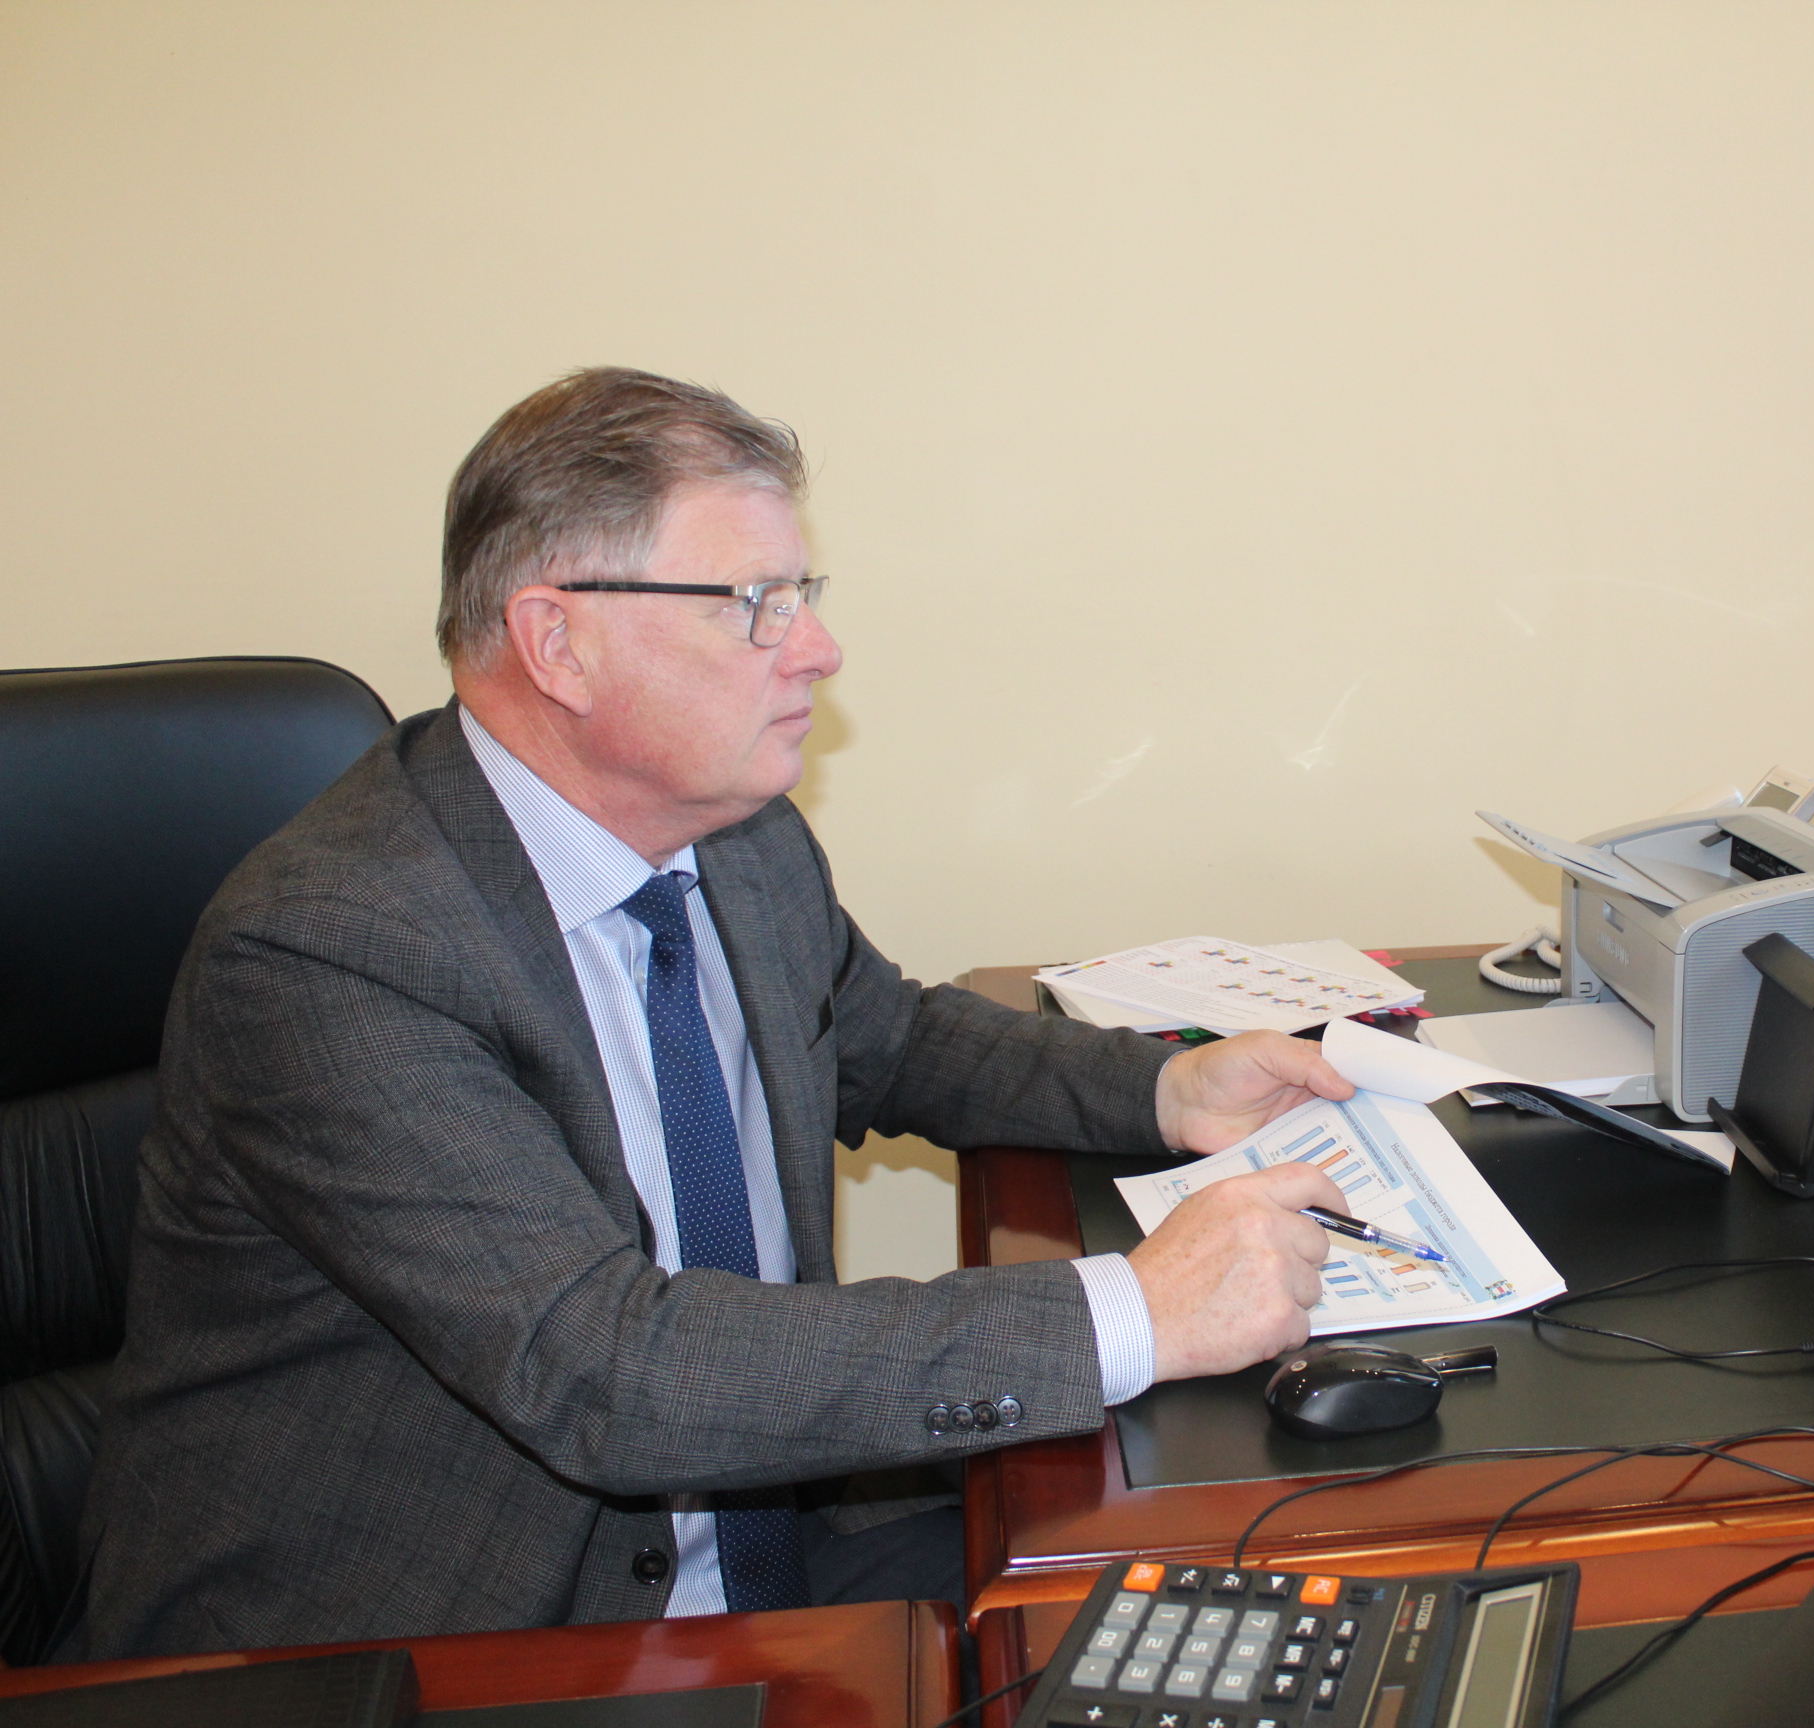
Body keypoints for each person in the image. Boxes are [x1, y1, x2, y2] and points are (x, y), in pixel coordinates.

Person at [69, 368, 1355, 1660]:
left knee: (1245, 1590)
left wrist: (1161, 1089)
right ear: (557, 642)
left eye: (802, 595)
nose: (818, 649)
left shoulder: (733, 834)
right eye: (754, 605)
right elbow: (606, 1372)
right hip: (441, 1639)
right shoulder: (330, 951)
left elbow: (888, 1037)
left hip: (768, 1535)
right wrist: (1129, 1310)